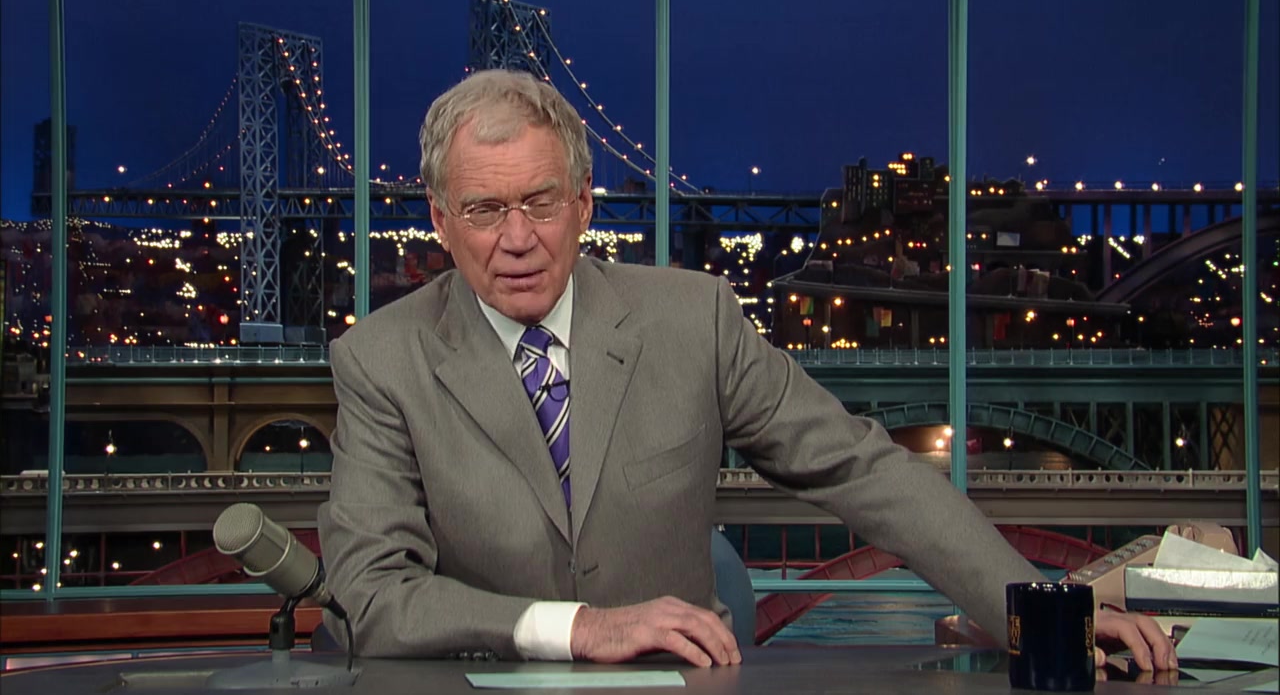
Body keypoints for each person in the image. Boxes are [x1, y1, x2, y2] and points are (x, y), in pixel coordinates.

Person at [316, 69, 1175, 671]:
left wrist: (1040, 612)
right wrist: (576, 628)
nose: (516, 238)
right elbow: (370, 597)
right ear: (440, 220)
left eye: (540, 202)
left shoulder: (693, 320)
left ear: (582, 203)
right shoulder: (380, 361)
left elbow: (862, 468)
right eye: (483, 209)